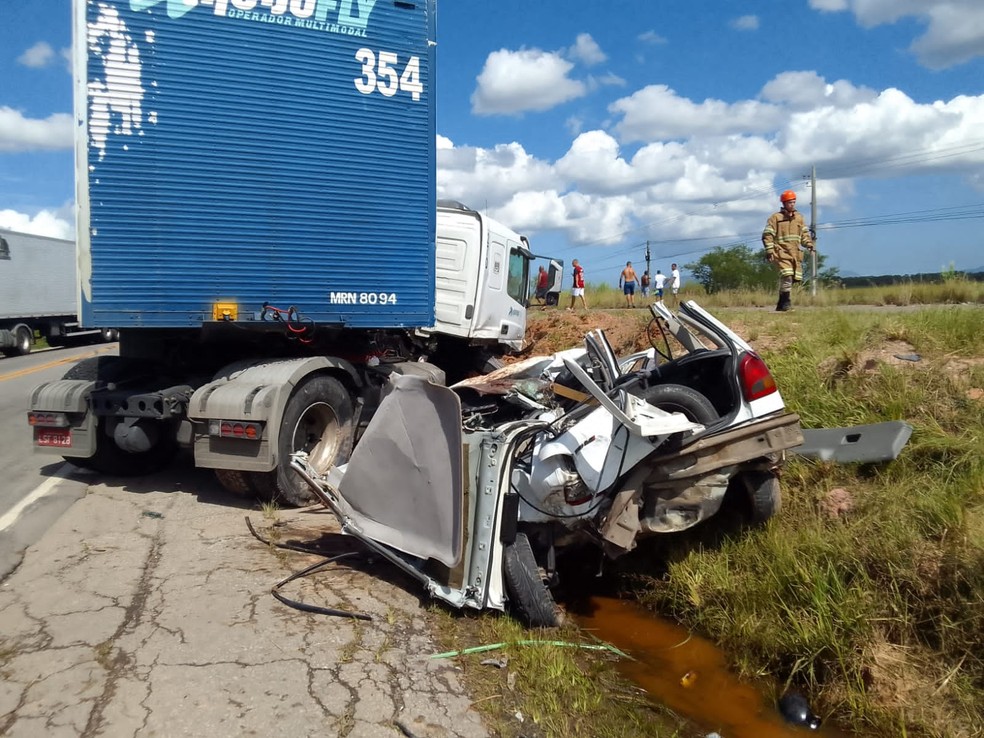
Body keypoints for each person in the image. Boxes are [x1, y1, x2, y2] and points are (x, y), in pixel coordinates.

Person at [762, 190, 814, 311]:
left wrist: (809, 244)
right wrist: (769, 251)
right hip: (780, 252)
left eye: (794, 202)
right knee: (787, 276)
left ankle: (780, 304)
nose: (792, 204)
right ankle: (786, 303)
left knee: (793, 278)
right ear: (784, 203)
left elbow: (804, 234)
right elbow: (767, 234)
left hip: (795, 254)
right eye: (790, 202)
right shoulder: (776, 218)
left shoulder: (799, 218)